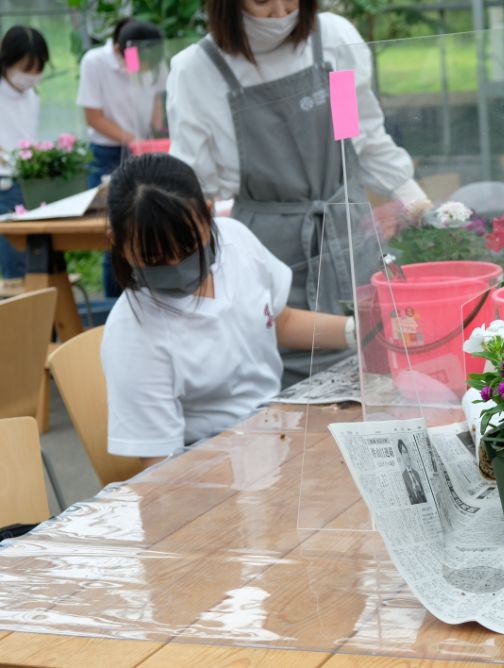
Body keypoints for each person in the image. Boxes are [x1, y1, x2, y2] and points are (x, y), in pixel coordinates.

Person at [166, 0, 428, 386]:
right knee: (293, 386)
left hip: (349, 236)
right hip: (269, 252)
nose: (280, 10)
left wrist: (417, 200)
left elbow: (360, 138)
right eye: (261, 1)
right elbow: (196, 191)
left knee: (387, 367)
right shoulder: (199, 71)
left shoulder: (331, 41)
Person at [101, 153, 355, 471]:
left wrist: (358, 331)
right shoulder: (134, 335)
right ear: (117, 242)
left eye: (189, 249)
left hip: (275, 434)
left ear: (208, 214)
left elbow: (282, 321)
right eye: (154, 257)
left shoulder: (236, 242)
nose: (175, 266)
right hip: (211, 466)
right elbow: (162, 469)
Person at [78, 18, 166, 299]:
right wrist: (133, 139)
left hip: (145, 150)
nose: (142, 67)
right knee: (115, 237)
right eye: (137, 57)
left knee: (148, 228)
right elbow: (93, 116)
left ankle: (149, 299)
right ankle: (114, 306)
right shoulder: (95, 62)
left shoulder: (152, 58)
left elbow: (157, 101)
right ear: (119, 49)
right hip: (108, 153)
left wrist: (154, 136)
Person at [0, 26, 48, 283]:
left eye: (37, 69)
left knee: (36, 263)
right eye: (26, 68)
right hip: (4, 186)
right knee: (15, 268)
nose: (31, 76)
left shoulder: (32, 97)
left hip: (29, 183)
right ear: (7, 61)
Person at [397, 439, 426, 505]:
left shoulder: (416, 473)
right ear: (401, 456)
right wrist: (415, 493)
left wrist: (421, 490)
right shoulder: (403, 477)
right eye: (404, 452)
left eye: (407, 452)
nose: (407, 455)